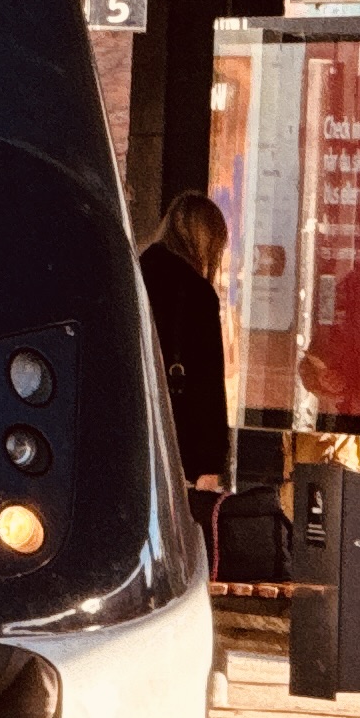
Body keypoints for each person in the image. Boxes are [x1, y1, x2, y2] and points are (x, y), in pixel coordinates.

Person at [138, 192, 231, 504]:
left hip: (132, 428)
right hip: (178, 439)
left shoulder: (135, 274)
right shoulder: (196, 292)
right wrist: (210, 462)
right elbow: (207, 382)